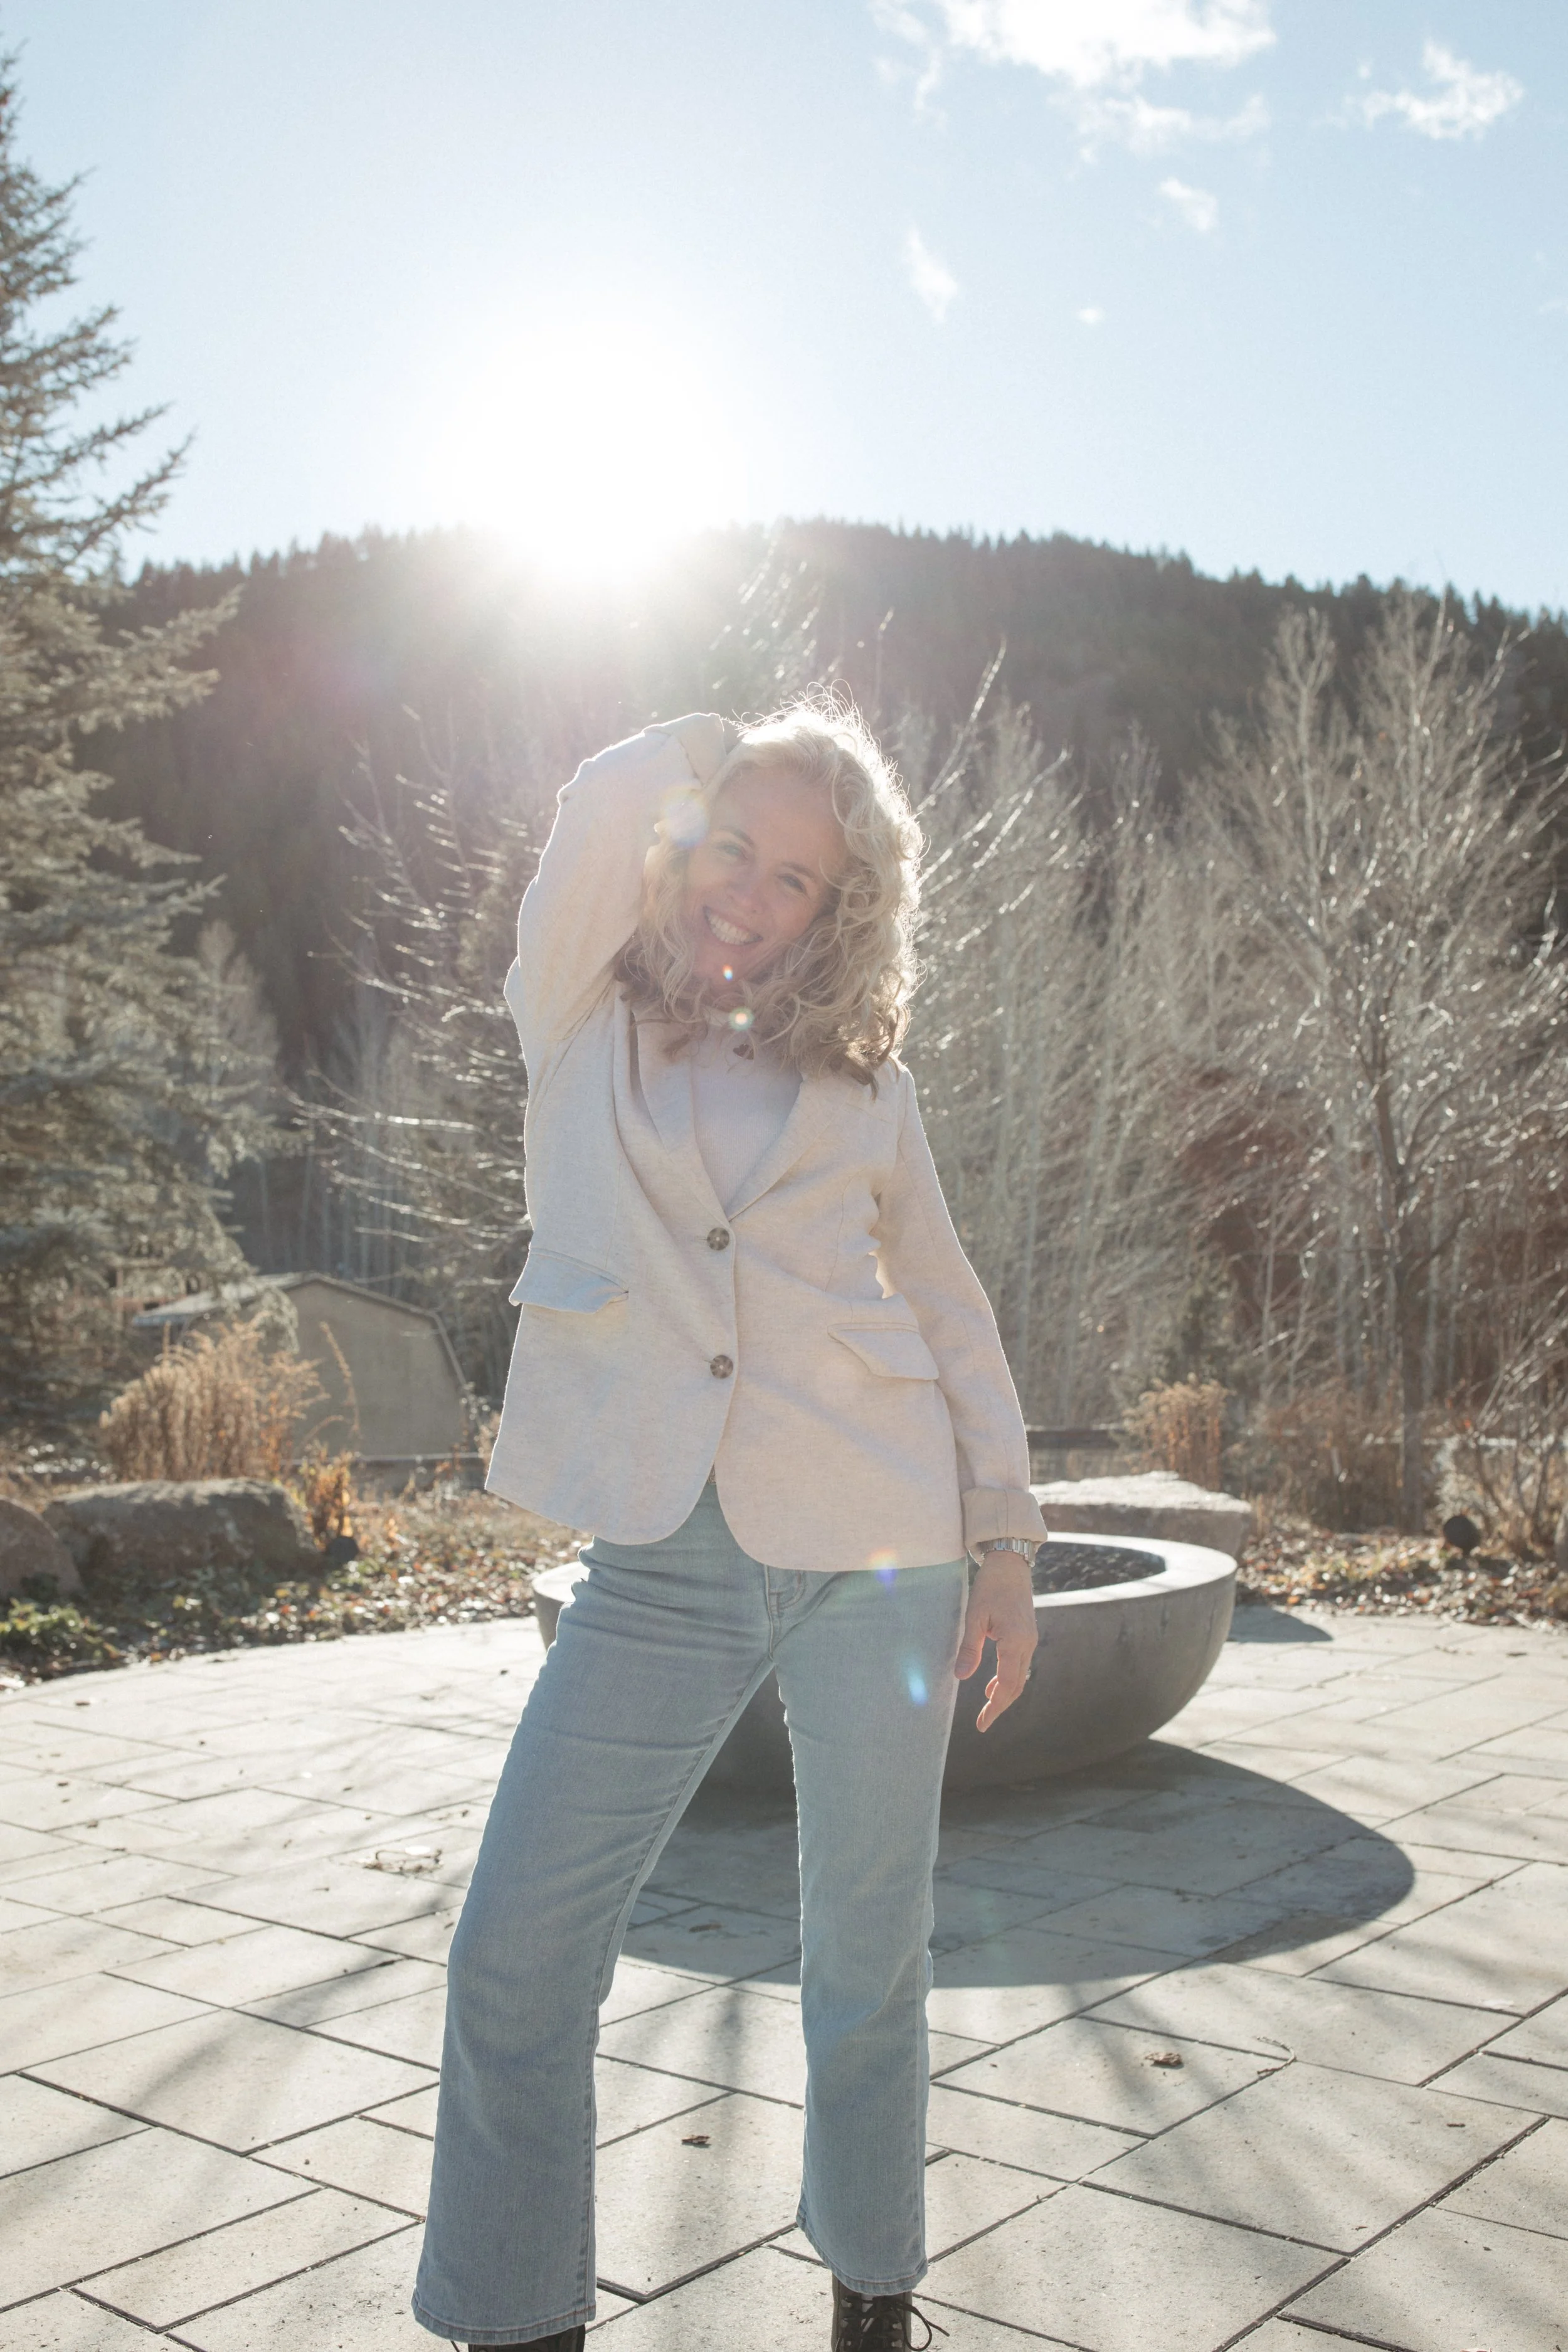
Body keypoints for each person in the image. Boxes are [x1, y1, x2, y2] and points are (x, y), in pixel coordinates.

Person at [412, 702, 1046, 2352]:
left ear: (838, 910)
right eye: (727, 846)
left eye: (794, 876)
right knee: (515, 1953)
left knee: (866, 1955)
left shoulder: (867, 1082)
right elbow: (583, 816)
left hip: (881, 1550)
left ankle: (873, 2290)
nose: (745, 892)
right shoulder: (576, 1006)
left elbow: (953, 1311)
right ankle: (518, 2316)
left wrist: (1006, 1545)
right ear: (680, 834)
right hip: (663, 1555)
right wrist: (732, 736)